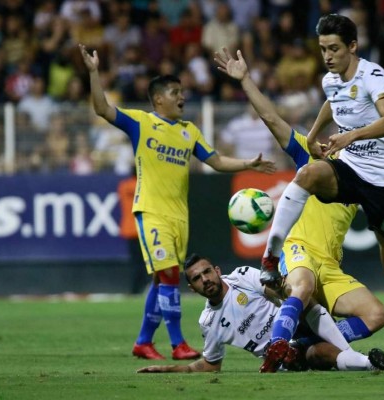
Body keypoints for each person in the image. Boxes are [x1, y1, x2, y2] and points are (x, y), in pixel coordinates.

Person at [214, 47, 384, 372]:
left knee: (377, 315)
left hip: (330, 266)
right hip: (298, 251)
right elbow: (272, 118)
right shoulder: (312, 157)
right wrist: (245, 80)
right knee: (301, 286)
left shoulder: (362, 181)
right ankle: (278, 346)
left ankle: (305, 347)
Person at [79, 43, 276, 361]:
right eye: (174, 92)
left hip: (179, 216)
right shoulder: (141, 123)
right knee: (171, 274)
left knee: (162, 279)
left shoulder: (189, 131)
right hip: (152, 210)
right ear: (158, 98)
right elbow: (102, 109)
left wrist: (247, 164)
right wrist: (93, 73)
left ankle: (143, 341)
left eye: (182, 91)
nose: (182, 97)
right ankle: (177, 343)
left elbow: (215, 160)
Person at [136, 254, 384, 373]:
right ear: (192, 289)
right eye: (196, 279)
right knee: (318, 353)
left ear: (217, 270)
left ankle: (295, 340)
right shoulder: (209, 322)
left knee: (301, 298)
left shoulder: (241, 276)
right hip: (288, 356)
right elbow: (210, 365)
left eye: (207, 272)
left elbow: (273, 292)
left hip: (298, 327)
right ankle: (370, 362)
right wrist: (169, 368)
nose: (204, 279)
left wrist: (281, 288)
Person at [117, 170, 149, 294]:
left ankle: (137, 289)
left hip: (129, 229)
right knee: (145, 262)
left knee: (136, 262)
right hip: (144, 229)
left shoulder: (124, 186)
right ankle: (140, 287)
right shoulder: (145, 186)